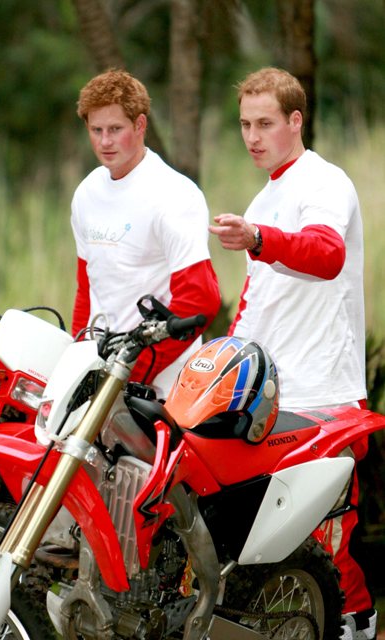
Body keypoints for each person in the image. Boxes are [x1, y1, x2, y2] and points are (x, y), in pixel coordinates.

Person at [209, 67, 376, 640]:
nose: (252, 137)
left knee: (325, 538)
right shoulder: (265, 196)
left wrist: (259, 238)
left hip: (325, 393)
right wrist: (223, 365)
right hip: (270, 401)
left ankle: (355, 626)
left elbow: (326, 255)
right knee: (270, 541)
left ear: (296, 120)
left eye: (265, 123)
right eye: (244, 125)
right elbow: (255, 303)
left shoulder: (324, 182)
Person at [71, 68, 221, 398]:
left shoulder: (174, 194)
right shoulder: (86, 193)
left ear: (140, 125)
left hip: (162, 380)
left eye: (115, 129)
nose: (105, 141)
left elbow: (200, 299)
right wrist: (78, 357)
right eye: (96, 130)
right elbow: (87, 288)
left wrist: (134, 369)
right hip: (101, 369)